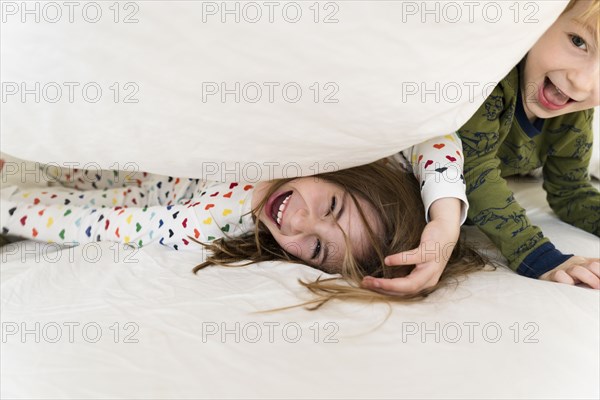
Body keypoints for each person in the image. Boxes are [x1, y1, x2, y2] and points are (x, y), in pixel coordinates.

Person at [0, 135, 486, 307]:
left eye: (316, 249)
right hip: (151, 139)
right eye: (331, 207)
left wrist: (8, 206)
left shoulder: (216, 220)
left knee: (65, 172)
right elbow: (432, 137)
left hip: (131, 185)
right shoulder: (331, 142)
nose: (298, 222)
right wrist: (443, 220)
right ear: (349, 170)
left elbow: (97, 223)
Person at [456, 0, 600, 288]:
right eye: (578, 41)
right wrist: (537, 254)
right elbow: (472, 171)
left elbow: (570, 191)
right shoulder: (494, 81)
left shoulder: (575, 114)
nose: (582, 82)